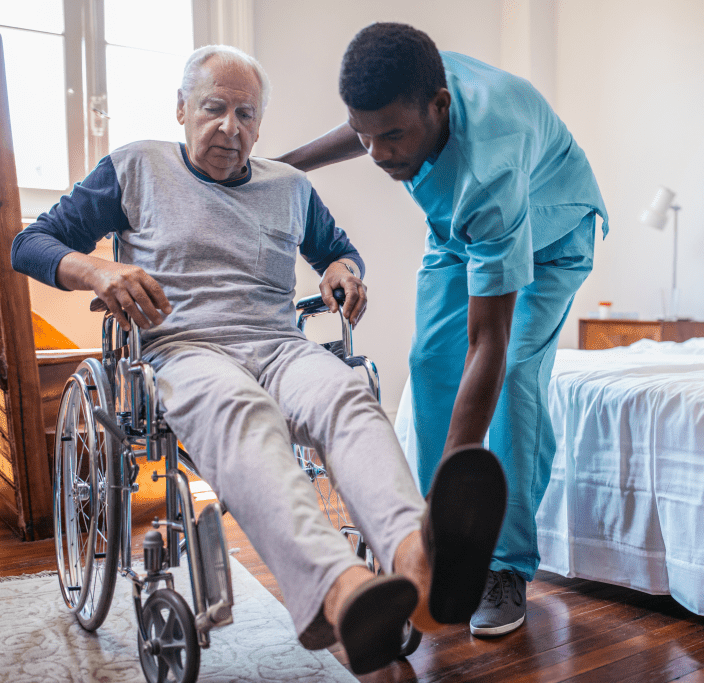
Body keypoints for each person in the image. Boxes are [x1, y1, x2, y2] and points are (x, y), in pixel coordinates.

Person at [10, 44, 506, 675]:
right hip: (184, 345)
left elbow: (339, 250)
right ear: (183, 108)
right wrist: (97, 268)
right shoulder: (135, 166)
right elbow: (30, 243)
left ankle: (418, 563)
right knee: (244, 411)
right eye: (214, 108)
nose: (229, 127)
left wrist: (343, 272)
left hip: (279, 344)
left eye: (245, 114)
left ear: (261, 126)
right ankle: (342, 591)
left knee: (347, 394)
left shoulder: (289, 186)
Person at [277, 22, 608, 637]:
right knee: (430, 365)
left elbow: (489, 341)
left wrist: (461, 492)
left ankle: (501, 563)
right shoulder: (412, 76)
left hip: (550, 232)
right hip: (464, 232)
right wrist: (286, 167)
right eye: (366, 136)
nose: (377, 154)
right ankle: (424, 553)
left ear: (440, 107)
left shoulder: (489, 169)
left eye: (393, 136)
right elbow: (369, 127)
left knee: (511, 375)